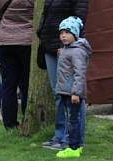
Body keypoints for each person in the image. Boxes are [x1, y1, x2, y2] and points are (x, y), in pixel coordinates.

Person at [38, 0, 88, 151]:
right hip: (50, 45)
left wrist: (67, 45)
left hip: (67, 49)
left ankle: (73, 139)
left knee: (73, 95)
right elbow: (46, 15)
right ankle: (60, 136)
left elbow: (79, 18)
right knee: (59, 93)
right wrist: (41, 32)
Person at [0, 0, 33, 130]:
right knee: (26, 84)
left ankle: (9, 124)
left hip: (5, 41)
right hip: (27, 40)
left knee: (8, 85)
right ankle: (28, 121)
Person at [54, 16, 90, 159]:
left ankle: (74, 147)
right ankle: (74, 145)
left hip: (72, 94)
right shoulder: (67, 50)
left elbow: (79, 73)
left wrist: (76, 93)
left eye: (67, 32)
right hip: (65, 91)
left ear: (75, 34)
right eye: (61, 33)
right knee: (71, 119)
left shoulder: (77, 51)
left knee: (73, 120)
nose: (63, 36)